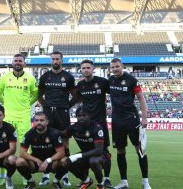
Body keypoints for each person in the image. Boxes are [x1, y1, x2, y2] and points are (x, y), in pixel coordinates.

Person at [108, 58, 151, 189]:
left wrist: (144, 117)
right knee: (120, 150)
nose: (115, 69)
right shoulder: (110, 80)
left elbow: (141, 98)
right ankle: (124, 182)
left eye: (117, 66)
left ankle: (145, 181)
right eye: (113, 67)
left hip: (131, 118)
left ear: (122, 66)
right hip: (116, 120)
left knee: (140, 149)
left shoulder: (131, 80)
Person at [0, 53, 38, 185]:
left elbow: (35, 95)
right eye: (16, 61)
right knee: (4, 146)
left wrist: (26, 104)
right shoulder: (5, 78)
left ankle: (26, 176)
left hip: (24, 116)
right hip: (8, 116)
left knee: (26, 146)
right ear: (12, 63)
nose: (18, 63)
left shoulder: (30, 79)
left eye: (20, 61)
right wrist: (6, 103)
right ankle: (3, 176)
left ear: (24, 63)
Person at [38, 51, 77, 186]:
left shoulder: (68, 77)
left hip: (62, 114)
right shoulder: (45, 76)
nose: (55, 61)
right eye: (53, 59)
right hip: (48, 114)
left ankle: (65, 175)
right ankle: (46, 174)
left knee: (65, 144)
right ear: (51, 61)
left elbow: (76, 96)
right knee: (47, 143)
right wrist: (46, 106)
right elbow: (39, 95)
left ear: (62, 60)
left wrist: (66, 106)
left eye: (57, 59)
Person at [75, 59, 112, 188]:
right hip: (86, 123)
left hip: (100, 122)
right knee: (85, 150)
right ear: (81, 70)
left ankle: (107, 178)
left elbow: (113, 93)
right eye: (83, 68)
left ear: (93, 69)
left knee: (104, 151)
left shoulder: (102, 82)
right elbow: (78, 99)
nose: (86, 70)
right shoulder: (80, 85)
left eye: (88, 68)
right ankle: (85, 179)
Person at [16, 112, 67, 189]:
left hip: (52, 162)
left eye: (41, 120)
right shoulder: (29, 134)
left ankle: (56, 182)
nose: (39, 122)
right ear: (34, 122)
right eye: (36, 120)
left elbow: (61, 153)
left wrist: (47, 161)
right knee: (19, 161)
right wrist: (37, 160)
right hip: (36, 163)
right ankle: (31, 182)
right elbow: (22, 153)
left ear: (47, 122)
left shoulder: (54, 133)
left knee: (65, 160)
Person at [60, 106, 107, 189]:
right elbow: (62, 133)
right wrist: (48, 130)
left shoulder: (96, 127)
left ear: (89, 115)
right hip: (85, 154)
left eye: (84, 115)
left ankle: (100, 184)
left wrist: (77, 156)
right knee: (65, 162)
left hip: (102, 155)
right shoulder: (74, 127)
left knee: (93, 161)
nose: (81, 118)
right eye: (79, 115)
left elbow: (98, 151)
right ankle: (86, 180)